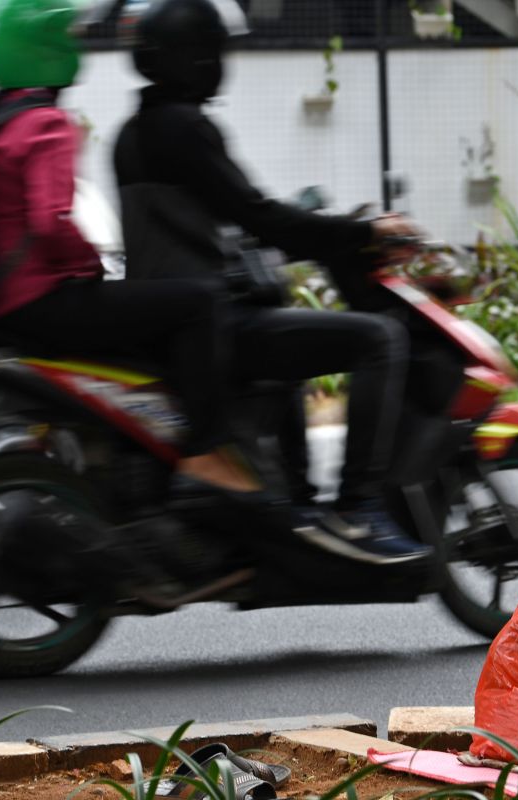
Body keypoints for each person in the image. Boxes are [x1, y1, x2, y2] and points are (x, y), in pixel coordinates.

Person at [112, 0, 431, 566]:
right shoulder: (185, 128)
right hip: (212, 324)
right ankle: (360, 505)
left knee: (290, 342)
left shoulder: (133, 132)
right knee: (380, 338)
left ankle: (297, 502)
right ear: (200, 57)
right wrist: (361, 231)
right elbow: (258, 215)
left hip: (180, 321)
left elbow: (222, 220)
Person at [0, 0, 263, 502]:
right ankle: (207, 449)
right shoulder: (45, 123)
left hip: (2, 305)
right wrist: (89, 261)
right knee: (200, 302)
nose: (75, 43)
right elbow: (50, 220)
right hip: (44, 302)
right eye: (67, 35)